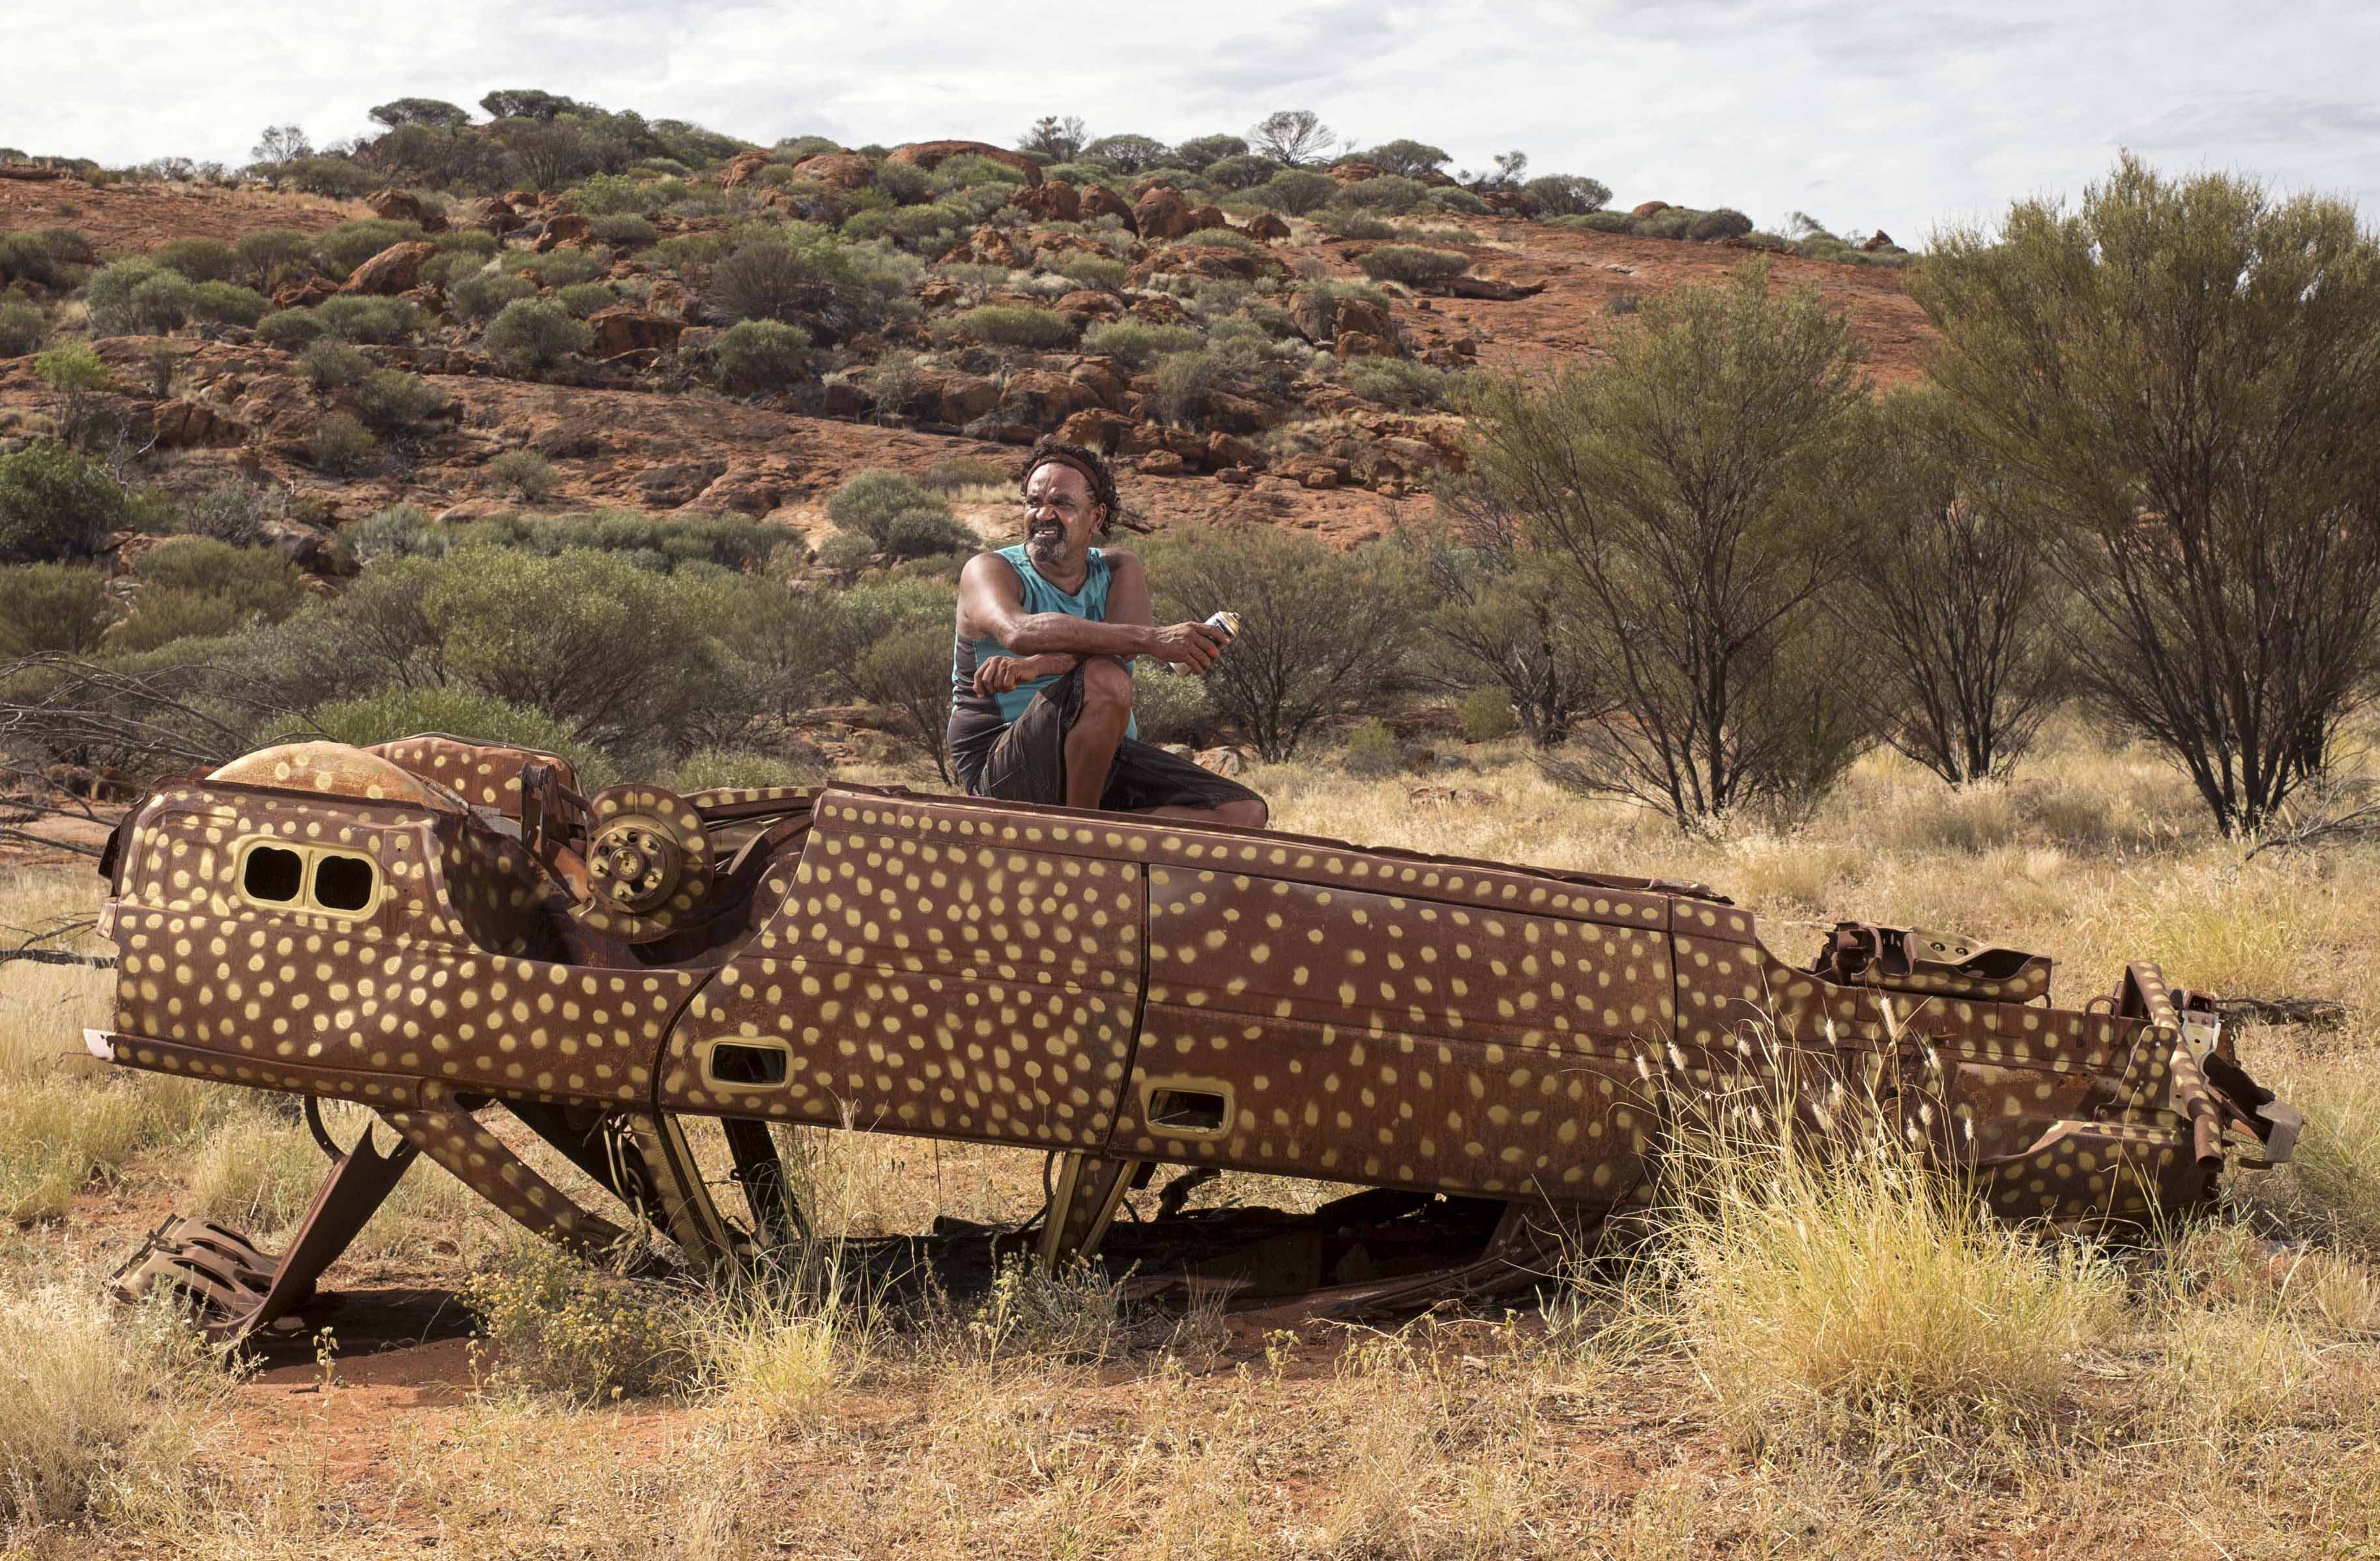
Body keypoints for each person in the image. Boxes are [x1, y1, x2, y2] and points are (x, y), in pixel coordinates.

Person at [945, 441, 1269, 826]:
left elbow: (1114, 654)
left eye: (1062, 504)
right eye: (1033, 503)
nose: (1043, 514)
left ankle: (1107, 836)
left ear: (1096, 517)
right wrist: (1155, 639)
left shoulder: (1118, 568)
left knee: (1242, 812)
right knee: (1106, 679)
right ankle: (1084, 837)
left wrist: (1037, 667)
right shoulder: (990, 570)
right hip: (1002, 761)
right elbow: (1019, 632)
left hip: (1099, 759)